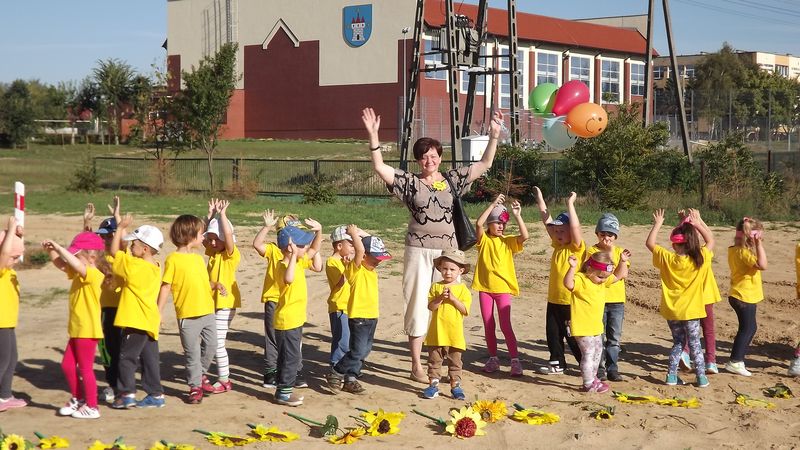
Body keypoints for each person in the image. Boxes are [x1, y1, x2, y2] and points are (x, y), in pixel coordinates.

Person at [361, 107, 503, 382]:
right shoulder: (410, 183)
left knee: (450, 303)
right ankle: (417, 365)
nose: (430, 160)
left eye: (434, 155)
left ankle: (449, 364)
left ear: (440, 157)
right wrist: (373, 136)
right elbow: (380, 167)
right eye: (424, 156)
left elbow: (484, 164)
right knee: (417, 304)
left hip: (448, 252)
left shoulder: (452, 179)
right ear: (418, 160)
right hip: (417, 250)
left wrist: (494, 136)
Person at [646, 208, 713, 388]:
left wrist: (658, 224)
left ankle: (671, 377)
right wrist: (697, 223)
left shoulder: (667, 258)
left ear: (674, 244)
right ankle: (701, 378)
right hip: (691, 311)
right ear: (692, 243)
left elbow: (650, 243)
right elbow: (711, 240)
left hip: (673, 310)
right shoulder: (700, 259)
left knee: (678, 343)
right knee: (695, 345)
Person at [43, 232, 106, 419]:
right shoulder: (79, 273)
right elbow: (62, 264)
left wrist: (61, 248)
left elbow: (76, 264)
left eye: (76, 254)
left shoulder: (94, 274)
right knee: (67, 366)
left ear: (92, 257)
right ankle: (78, 398)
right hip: (77, 329)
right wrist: (52, 251)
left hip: (87, 329)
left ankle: (93, 406)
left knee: (85, 368)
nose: (72, 259)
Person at [157, 215, 219, 405]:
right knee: (192, 353)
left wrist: (214, 284)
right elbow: (166, 286)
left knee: (211, 346)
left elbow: (202, 282)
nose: (204, 237)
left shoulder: (199, 259)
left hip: (208, 312)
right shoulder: (173, 260)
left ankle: (200, 375)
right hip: (187, 316)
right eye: (201, 234)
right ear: (190, 235)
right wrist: (157, 312)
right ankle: (194, 386)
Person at [110, 208, 166, 409]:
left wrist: (120, 228)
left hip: (135, 320)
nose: (131, 246)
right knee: (150, 359)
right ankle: (156, 394)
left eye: (134, 244)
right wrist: (122, 225)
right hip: (149, 320)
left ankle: (126, 394)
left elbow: (115, 253)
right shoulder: (155, 266)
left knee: (127, 358)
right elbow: (125, 254)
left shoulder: (134, 267)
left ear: (145, 249)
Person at [327, 226, 391, 394]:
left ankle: (351, 377)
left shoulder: (371, 270)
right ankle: (336, 372)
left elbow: (373, 244)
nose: (379, 261)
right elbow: (361, 248)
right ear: (363, 256)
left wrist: (364, 234)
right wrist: (355, 234)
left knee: (365, 350)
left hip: (372, 316)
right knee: (357, 350)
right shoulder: (355, 269)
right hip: (359, 317)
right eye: (375, 257)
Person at [472, 194, 528, 376]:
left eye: (503, 223)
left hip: (502, 289)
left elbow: (524, 236)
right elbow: (478, 224)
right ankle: (493, 358)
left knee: (505, 325)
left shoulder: (508, 241)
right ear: (490, 224)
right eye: (497, 223)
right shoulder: (484, 240)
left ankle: (514, 360)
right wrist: (492, 203)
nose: (500, 226)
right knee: (488, 324)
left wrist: (518, 215)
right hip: (485, 289)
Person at [534, 188, 585, 374]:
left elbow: (575, 228)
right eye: (556, 231)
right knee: (553, 333)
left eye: (562, 230)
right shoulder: (557, 244)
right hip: (553, 299)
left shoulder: (576, 248)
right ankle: (557, 362)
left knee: (572, 334)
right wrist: (540, 199)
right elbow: (546, 221)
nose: (558, 234)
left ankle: (584, 363)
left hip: (569, 301)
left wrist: (570, 204)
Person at [563, 250, 629, 393]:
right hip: (582, 327)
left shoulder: (601, 282)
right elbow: (568, 284)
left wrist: (623, 261)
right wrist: (572, 267)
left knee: (598, 352)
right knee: (588, 353)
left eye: (605, 277)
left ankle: (593, 378)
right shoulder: (581, 279)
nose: (603, 280)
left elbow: (618, 275)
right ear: (589, 269)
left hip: (596, 327)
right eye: (600, 277)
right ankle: (587, 383)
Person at [272, 221, 323, 406]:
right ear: (290, 247)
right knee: (291, 358)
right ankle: (284, 393)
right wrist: (294, 256)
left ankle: (281, 388)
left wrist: (319, 231)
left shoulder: (300, 262)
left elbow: (315, 248)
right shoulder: (282, 266)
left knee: (288, 356)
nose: (306, 247)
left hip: (295, 320)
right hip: (287, 321)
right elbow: (288, 278)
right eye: (301, 245)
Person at [252, 211, 296, 388]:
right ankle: (271, 371)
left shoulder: (298, 252)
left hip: (291, 300)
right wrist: (267, 226)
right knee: (272, 336)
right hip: (274, 299)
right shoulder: (273, 250)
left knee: (291, 337)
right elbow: (257, 244)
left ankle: (293, 370)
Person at [422, 249, 472, 400]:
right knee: (434, 362)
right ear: (440, 269)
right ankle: (433, 386)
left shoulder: (463, 290)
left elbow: (464, 310)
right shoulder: (435, 287)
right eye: (444, 268)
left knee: (455, 362)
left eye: (452, 269)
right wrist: (440, 298)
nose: (448, 272)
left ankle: (455, 386)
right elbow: (431, 307)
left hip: (454, 335)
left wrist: (454, 298)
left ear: (460, 271)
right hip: (436, 333)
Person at [203, 199, 241, 393]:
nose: (212, 242)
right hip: (213, 303)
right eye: (211, 238)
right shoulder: (213, 252)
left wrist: (223, 215)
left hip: (226, 303)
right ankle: (212, 374)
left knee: (218, 343)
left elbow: (226, 234)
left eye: (216, 239)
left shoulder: (229, 254)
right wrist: (210, 216)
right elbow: (202, 237)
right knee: (210, 341)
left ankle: (225, 379)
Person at [586, 213, 630, 382]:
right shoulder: (592, 251)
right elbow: (599, 273)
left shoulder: (620, 252)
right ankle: (600, 368)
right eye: (602, 234)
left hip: (617, 301)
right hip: (598, 300)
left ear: (615, 236)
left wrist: (613, 253)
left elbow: (622, 273)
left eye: (610, 234)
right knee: (599, 336)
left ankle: (613, 368)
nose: (606, 238)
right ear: (597, 234)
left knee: (614, 338)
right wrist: (612, 275)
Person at [725, 217, 767, 377]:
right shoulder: (744, 253)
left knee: (749, 327)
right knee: (747, 328)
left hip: (739, 295)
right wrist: (759, 244)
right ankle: (735, 361)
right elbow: (763, 265)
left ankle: (736, 361)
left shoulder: (734, 249)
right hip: (744, 296)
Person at [93, 198, 125, 403]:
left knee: (121, 350)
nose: (104, 240)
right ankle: (113, 384)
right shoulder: (98, 256)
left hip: (122, 310)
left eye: (108, 236)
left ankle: (122, 385)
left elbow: (123, 241)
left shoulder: (122, 255)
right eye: (102, 236)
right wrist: (86, 224)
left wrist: (118, 219)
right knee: (106, 350)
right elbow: (84, 245)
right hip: (103, 310)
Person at [0, 217, 26, 413]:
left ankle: (5, 395)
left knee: (12, 358)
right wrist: (9, 231)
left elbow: (11, 250)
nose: (16, 260)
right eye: (14, 257)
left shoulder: (8, 270)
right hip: (1, 323)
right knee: (2, 360)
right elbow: (5, 252)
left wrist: (18, 236)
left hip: (8, 323)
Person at [325, 225, 355, 367]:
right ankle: (336, 366)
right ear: (339, 246)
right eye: (350, 245)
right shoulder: (332, 262)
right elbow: (340, 282)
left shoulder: (345, 261)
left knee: (350, 340)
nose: (353, 248)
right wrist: (347, 266)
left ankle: (347, 368)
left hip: (350, 307)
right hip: (339, 307)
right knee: (341, 340)